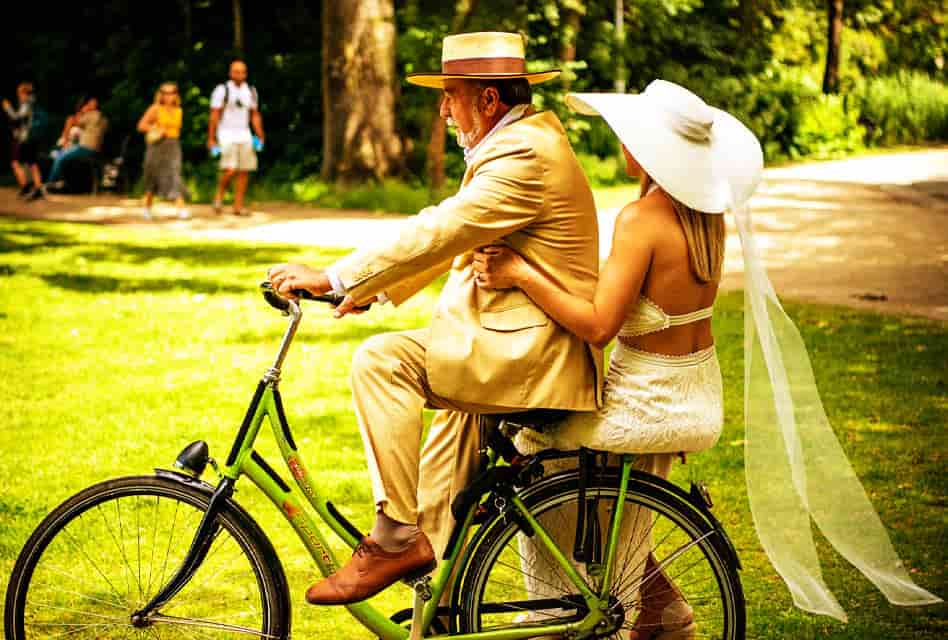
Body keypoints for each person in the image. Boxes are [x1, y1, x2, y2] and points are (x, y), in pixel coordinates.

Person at [473, 80, 942, 636]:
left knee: (532, 449)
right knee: (606, 500)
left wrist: (519, 273)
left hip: (642, 404)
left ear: (650, 151)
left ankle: (558, 614)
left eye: (631, 135)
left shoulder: (640, 221)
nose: (622, 142)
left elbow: (600, 327)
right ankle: (665, 610)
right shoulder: (704, 220)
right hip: (687, 396)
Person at [266, 31, 603, 605]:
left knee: (382, 361)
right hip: (505, 346)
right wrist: (374, 289)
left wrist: (336, 277)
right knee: (439, 508)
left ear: (489, 99)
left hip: (536, 359)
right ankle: (439, 611)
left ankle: (393, 539)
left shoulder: (523, 155)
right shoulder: (522, 141)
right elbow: (457, 238)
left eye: (451, 95)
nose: (444, 109)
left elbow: (444, 227)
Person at [207, 59, 264, 216]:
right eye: (236, 71)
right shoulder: (222, 90)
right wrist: (211, 138)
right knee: (230, 170)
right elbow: (214, 114)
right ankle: (219, 196)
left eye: (242, 71)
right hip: (226, 133)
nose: (240, 74)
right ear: (230, 73)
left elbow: (254, 115)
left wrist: (260, 135)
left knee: (244, 171)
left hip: (244, 134)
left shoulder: (250, 91)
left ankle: (238, 206)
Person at [137, 82, 189, 219]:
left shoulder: (179, 111)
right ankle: (147, 209)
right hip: (157, 146)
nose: (168, 96)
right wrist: (157, 129)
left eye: (171, 92)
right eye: (165, 93)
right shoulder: (155, 109)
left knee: (174, 174)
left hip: (173, 146)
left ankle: (181, 208)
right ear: (160, 94)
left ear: (176, 95)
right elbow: (141, 125)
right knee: (152, 178)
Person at [44, 94, 107, 193]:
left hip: (85, 148)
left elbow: (74, 121)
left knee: (60, 157)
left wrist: (82, 112)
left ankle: (49, 184)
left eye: (91, 104)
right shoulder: (102, 117)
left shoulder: (92, 115)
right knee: (62, 156)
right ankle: (60, 183)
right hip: (94, 150)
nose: (90, 106)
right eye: (89, 103)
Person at [2, 82, 46, 201]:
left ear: (23, 93)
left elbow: (17, 118)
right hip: (33, 137)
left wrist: (8, 109)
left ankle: (26, 186)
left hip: (26, 138)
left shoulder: (26, 104)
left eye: (20, 93)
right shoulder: (33, 103)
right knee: (32, 163)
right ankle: (36, 188)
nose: (19, 96)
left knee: (15, 161)